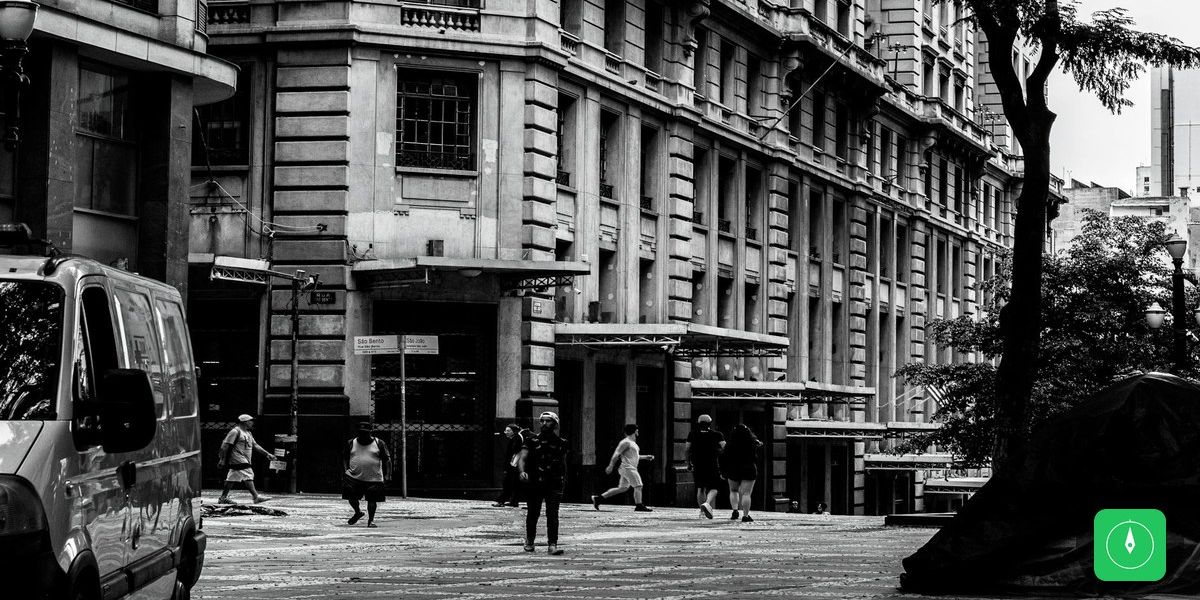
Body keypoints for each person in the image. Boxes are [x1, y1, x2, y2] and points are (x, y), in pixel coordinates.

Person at [518, 411, 569, 555]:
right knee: (533, 513)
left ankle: (552, 544)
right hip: (535, 482)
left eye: (548, 421)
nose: (544, 424)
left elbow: (564, 463)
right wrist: (522, 471)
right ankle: (529, 541)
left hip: (554, 482)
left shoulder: (562, 443)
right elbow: (522, 458)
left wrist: (563, 481)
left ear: (555, 424)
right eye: (542, 421)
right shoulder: (531, 440)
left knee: (553, 514)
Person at [592, 424, 655, 512]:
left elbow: (634, 456)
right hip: (627, 468)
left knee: (622, 488)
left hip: (630, 467)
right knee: (638, 486)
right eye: (637, 430)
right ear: (634, 431)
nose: (638, 431)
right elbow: (616, 454)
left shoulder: (633, 443)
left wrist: (645, 457)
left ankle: (598, 499)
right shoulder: (625, 442)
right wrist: (611, 466)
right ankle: (639, 506)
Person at [217, 414, 274, 504]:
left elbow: (255, 445)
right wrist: (222, 459)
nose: (252, 423)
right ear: (245, 422)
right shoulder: (235, 431)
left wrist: (267, 454)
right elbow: (225, 446)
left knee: (231, 477)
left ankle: (223, 498)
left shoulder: (248, 433)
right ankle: (255, 497)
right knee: (248, 473)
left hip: (244, 459)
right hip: (237, 458)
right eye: (251, 421)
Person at [343, 421, 391, 527]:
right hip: (354, 476)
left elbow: (387, 460)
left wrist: (388, 474)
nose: (363, 435)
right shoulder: (351, 443)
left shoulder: (379, 443)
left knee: (372, 500)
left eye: (365, 433)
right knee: (351, 497)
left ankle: (371, 520)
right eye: (360, 432)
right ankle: (358, 512)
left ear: (370, 432)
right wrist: (346, 470)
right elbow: (345, 458)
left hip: (374, 477)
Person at [686, 414, 725, 519]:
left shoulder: (692, 434)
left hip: (698, 464)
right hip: (712, 464)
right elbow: (725, 447)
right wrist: (719, 453)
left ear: (698, 423)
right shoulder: (717, 434)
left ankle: (702, 512)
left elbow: (687, 449)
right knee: (714, 487)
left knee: (700, 488)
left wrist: (688, 463)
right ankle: (707, 503)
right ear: (710, 423)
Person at [721, 423, 763, 523]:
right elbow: (757, 450)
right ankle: (745, 515)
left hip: (733, 468)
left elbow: (724, 457)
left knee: (733, 490)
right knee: (746, 493)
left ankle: (735, 510)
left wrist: (723, 470)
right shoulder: (752, 442)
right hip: (748, 468)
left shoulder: (729, 444)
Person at [493, 424, 524, 507]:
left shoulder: (516, 438)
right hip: (515, 465)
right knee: (514, 484)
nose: (505, 432)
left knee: (508, 483)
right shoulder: (515, 438)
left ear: (513, 431)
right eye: (505, 430)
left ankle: (501, 501)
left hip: (514, 465)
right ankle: (514, 501)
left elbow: (516, 452)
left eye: (508, 430)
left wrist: (511, 465)